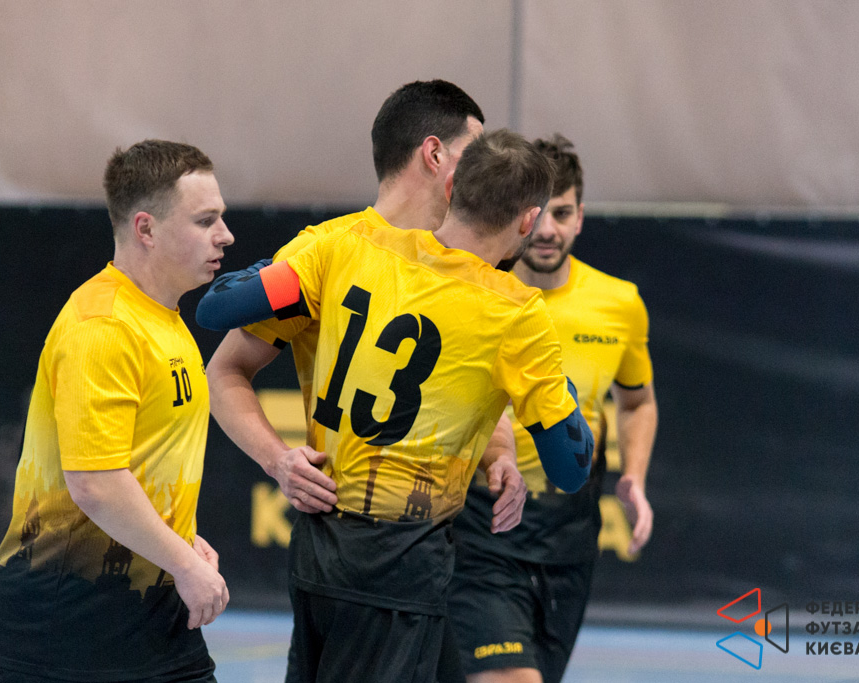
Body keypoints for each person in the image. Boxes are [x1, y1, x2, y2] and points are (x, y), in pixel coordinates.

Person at [197, 129, 593, 683]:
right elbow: (570, 468)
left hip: (318, 543)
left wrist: (497, 449)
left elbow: (215, 309)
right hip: (402, 561)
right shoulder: (517, 313)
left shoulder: (348, 245)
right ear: (528, 220)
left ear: (452, 188)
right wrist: (558, 389)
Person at [200, 80, 525, 531]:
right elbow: (224, 370)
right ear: (434, 155)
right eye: (473, 153)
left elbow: (470, 385)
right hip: (340, 534)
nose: (484, 168)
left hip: (443, 536)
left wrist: (501, 455)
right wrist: (278, 460)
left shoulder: (475, 265)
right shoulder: (327, 250)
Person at [0, 140, 234, 682]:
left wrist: (178, 537)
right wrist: (185, 563)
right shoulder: (104, 327)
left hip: (148, 617)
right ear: (146, 229)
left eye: (221, 217)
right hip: (66, 628)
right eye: (205, 220)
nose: (225, 235)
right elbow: (94, 482)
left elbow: (137, 463)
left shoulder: (162, 317)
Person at [445, 134, 659, 683]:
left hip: (569, 542)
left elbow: (637, 402)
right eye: (538, 213)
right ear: (519, 217)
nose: (547, 229)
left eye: (562, 213)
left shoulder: (620, 303)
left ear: (580, 217)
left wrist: (634, 477)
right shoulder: (475, 293)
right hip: (481, 528)